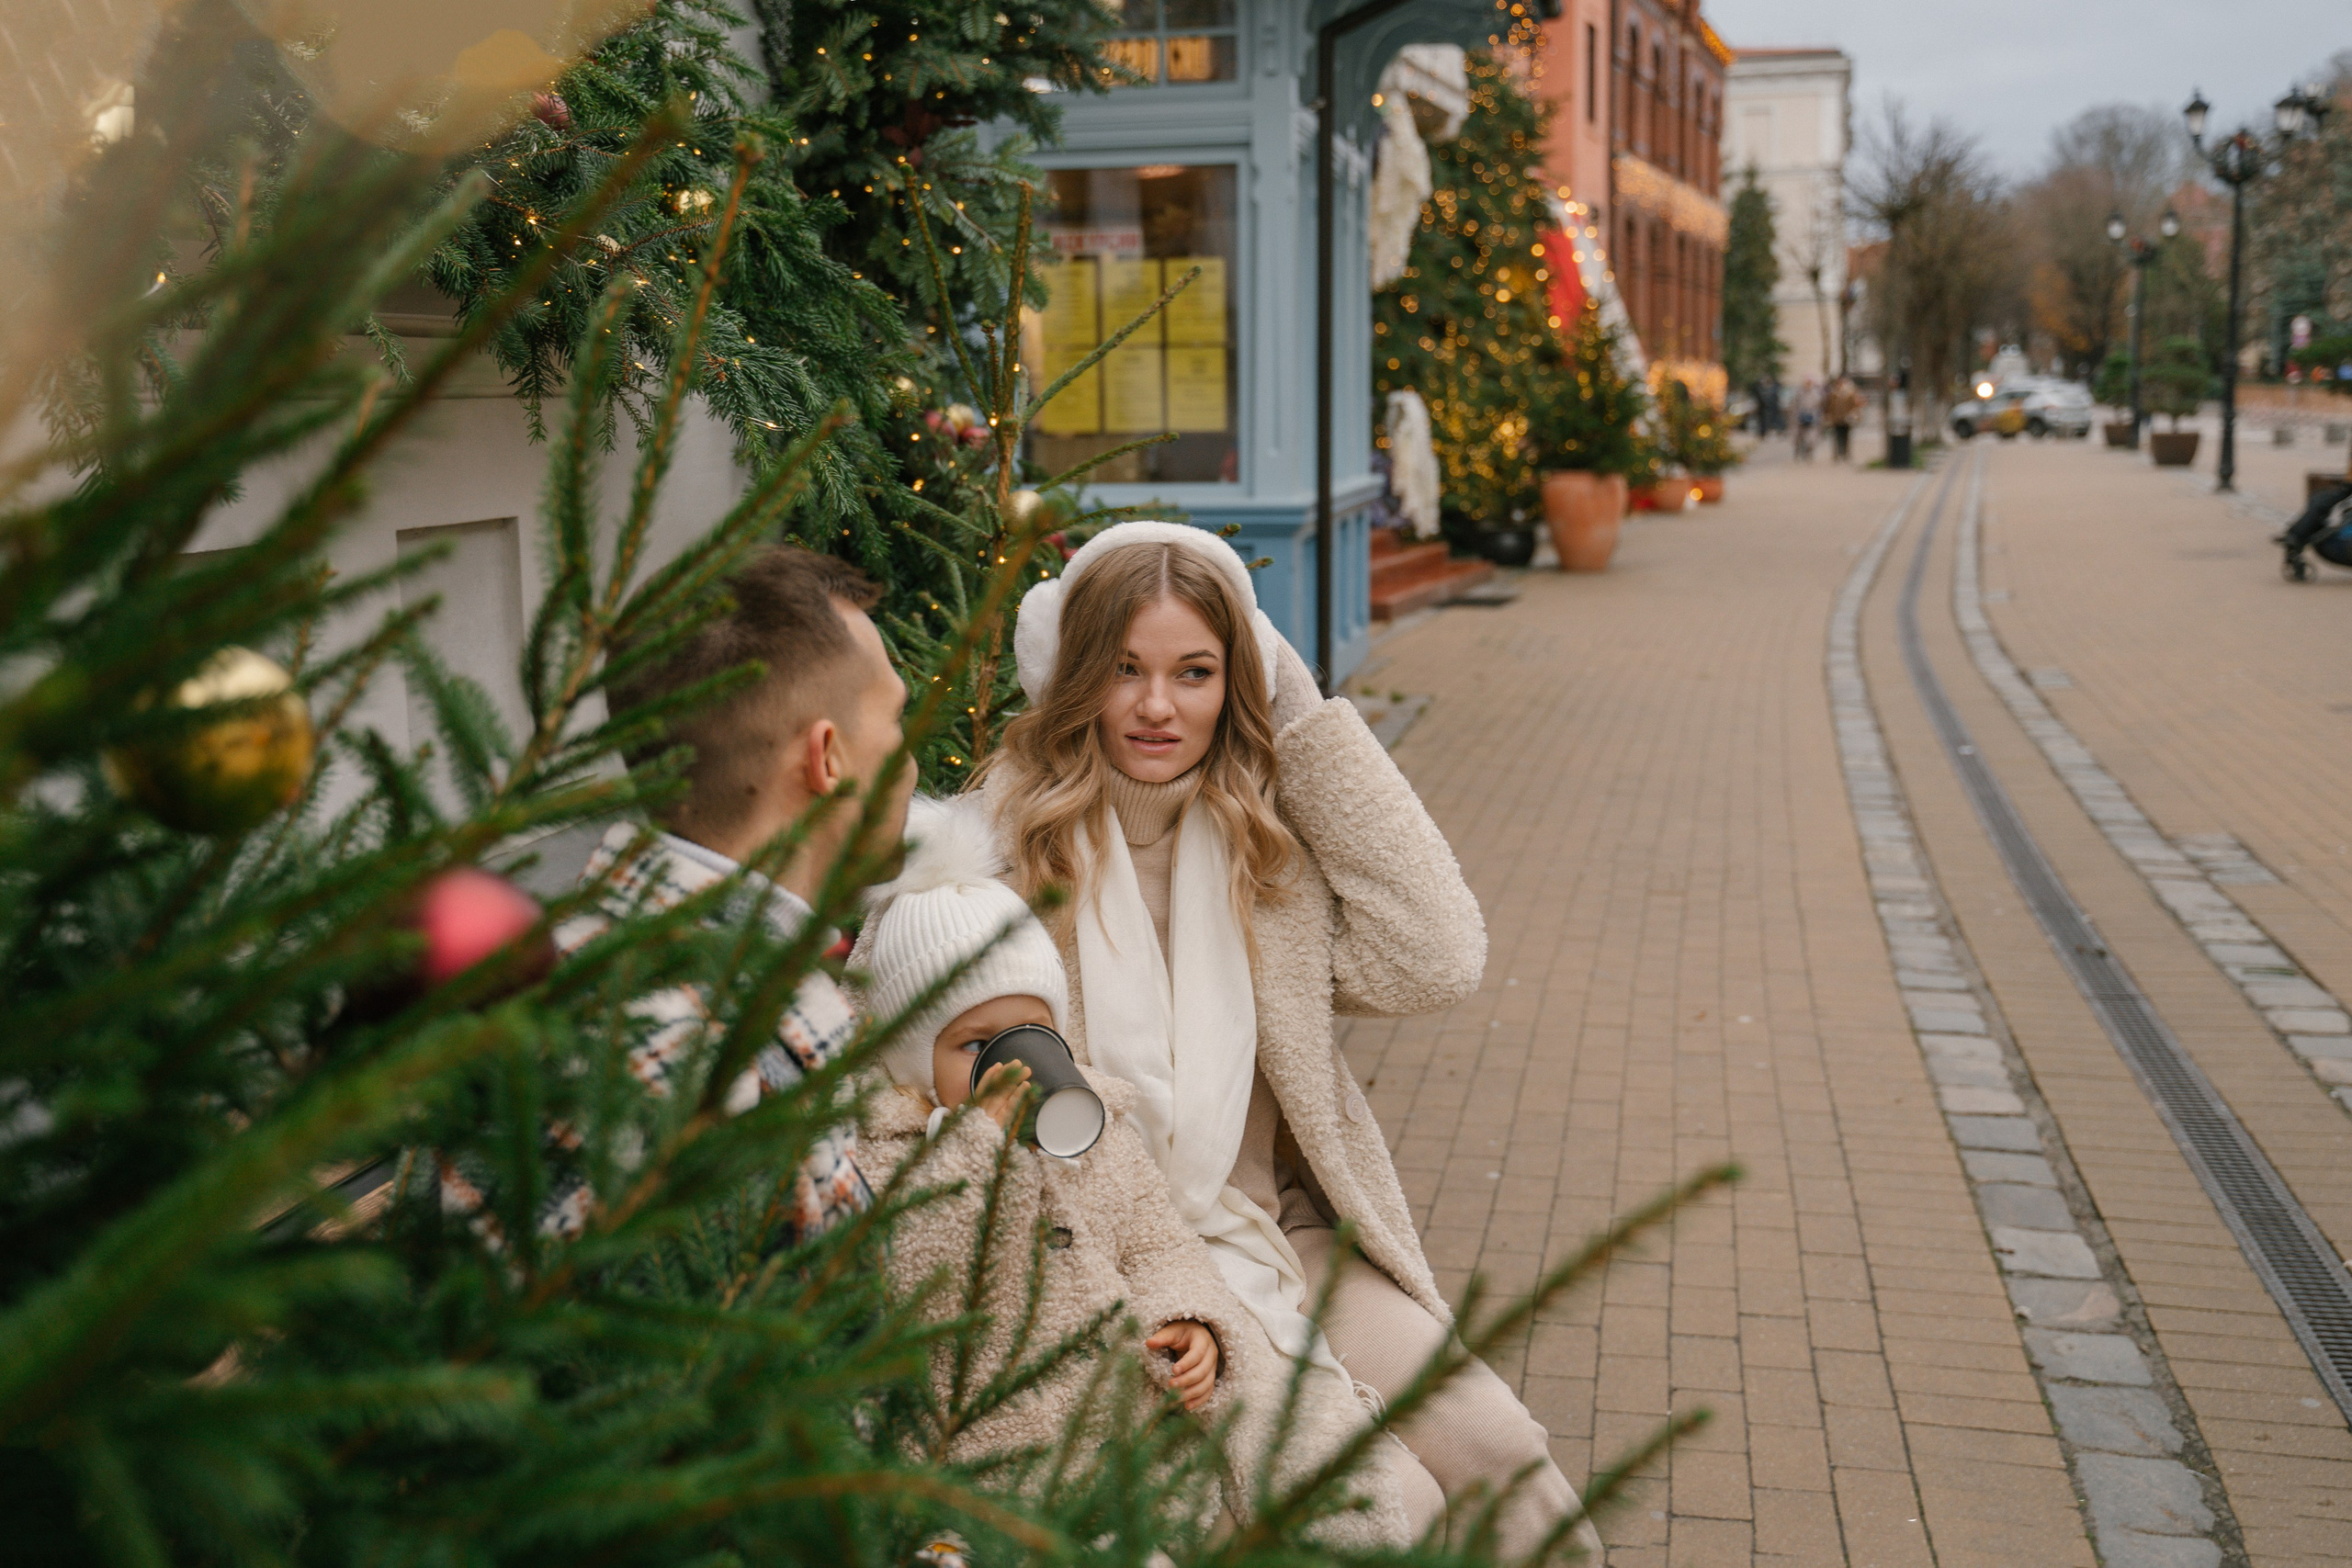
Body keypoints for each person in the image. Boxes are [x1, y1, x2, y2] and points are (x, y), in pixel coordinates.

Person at [975, 520, 1605, 1561]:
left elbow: (1434, 956)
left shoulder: (1260, 845)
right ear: (1074, 671)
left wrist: (1303, 719)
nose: (1155, 705)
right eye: (1124, 668)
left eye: (1195, 671)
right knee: (1393, 1508)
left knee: (1504, 1451)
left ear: (1239, 682)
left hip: (1286, 1235)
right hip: (1127, 1266)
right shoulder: (1006, 853)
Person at [855, 795, 1416, 1547]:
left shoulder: (1092, 1132)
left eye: (1030, 1032)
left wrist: (1188, 1317)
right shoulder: (886, 1160)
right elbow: (910, 1273)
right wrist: (978, 1150)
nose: (1009, 1062)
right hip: (1000, 1473)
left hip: (1127, 1443)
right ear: (908, 1057)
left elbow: (1156, 1241)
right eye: (972, 1044)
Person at [537, 545, 913, 1242]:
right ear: (827, 758)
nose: (910, 759)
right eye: (895, 721)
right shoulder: (710, 1069)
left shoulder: (595, 943)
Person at [1825, 375, 1864, 462]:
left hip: (1846, 419)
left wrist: (1856, 415)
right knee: (1837, 436)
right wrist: (1828, 416)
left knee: (1846, 436)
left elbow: (1854, 406)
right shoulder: (1833, 394)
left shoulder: (1850, 394)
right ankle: (1838, 453)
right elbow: (1829, 406)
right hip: (1836, 419)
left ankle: (1845, 453)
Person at [1793, 376, 1822, 459]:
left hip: (1811, 417)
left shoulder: (1815, 393)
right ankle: (1800, 452)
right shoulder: (1799, 393)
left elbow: (1818, 405)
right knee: (1800, 436)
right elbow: (1795, 405)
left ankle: (1809, 451)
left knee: (1811, 437)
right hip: (1801, 417)